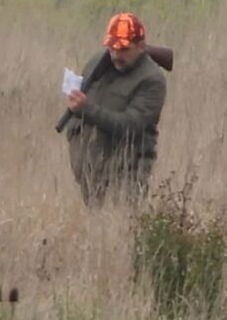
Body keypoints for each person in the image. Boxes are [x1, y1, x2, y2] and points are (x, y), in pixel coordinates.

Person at [59, 11, 170, 205]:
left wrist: (87, 109)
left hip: (125, 177)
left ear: (141, 47)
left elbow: (131, 126)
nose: (116, 55)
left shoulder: (152, 80)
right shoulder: (97, 63)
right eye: (112, 48)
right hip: (90, 175)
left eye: (124, 49)